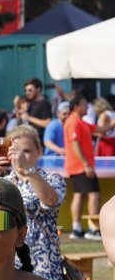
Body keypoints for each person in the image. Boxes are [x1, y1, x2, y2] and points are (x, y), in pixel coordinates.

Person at [0, 125, 65, 280]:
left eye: (27, 151)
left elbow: (51, 201)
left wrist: (29, 170)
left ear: (39, 152)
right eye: (15, 152)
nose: (20, 157)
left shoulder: (52, 179)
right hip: (9, 260)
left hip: (43, 262)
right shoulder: (2, 183)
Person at [62, 90, 100, 239]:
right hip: (80, 165)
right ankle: (92, 228)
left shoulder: (81, 122)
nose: (87, 107)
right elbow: (75, 144)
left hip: (78, 165)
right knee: (94, 194)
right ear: (76, 106)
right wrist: (86, 164)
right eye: (85, 105)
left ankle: (77, 229)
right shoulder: (73, 121)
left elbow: (100, 130)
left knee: (80, 195)